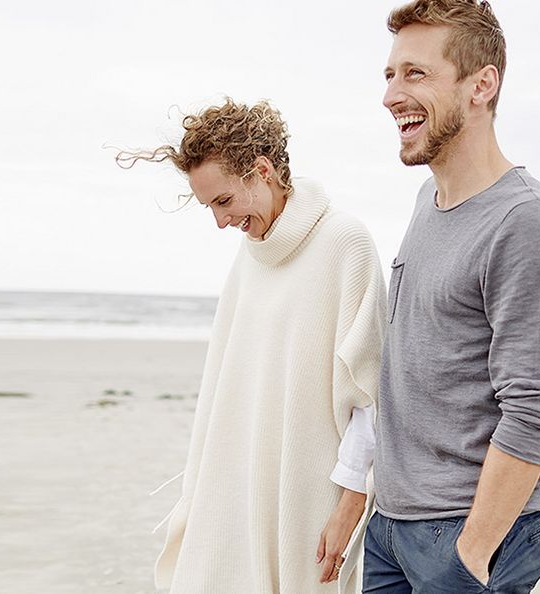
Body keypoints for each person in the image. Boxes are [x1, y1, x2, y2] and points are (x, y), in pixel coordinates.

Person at [119, 98, 384, 593]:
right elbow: (229, 390)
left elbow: (370, 398)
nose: (221, 223)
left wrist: (351, 505)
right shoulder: (251, 257)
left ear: (261, 171)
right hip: (239, 486)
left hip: (309, 495)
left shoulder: (346, 244)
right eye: (209, 207)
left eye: (224, 202)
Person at [364, 1, 540, 592]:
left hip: (466, 532)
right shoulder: (427, 202)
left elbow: (536, 407)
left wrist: (472, 553)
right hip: (391, 526)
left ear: (481, 85)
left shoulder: (526, 222)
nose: (390, 95)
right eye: (389, 75)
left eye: (415, 73)